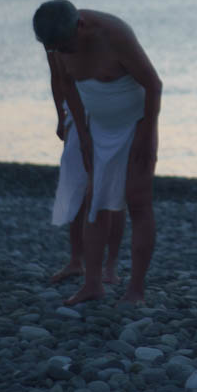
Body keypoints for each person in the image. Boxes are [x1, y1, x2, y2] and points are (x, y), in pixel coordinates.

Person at [33, 0, 161, 305]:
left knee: (138, 202)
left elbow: (154, 85)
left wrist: (146, 134)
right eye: (56, 49)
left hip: (134, 123)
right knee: (94, 200)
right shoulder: (56, 42)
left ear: (80, 26)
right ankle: (92, 283)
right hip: (94, 122)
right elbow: (66, 84)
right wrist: (81, 132)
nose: (61, 53)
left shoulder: (114, 35)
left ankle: (136, 289)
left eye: (66, 46)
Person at [48, 98, 128, 287]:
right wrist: (62, 117)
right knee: (76, 185)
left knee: (113, 190)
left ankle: (110, 266)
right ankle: (76, 260)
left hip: (111, 110)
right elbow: (59, 79)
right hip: (77, 113)